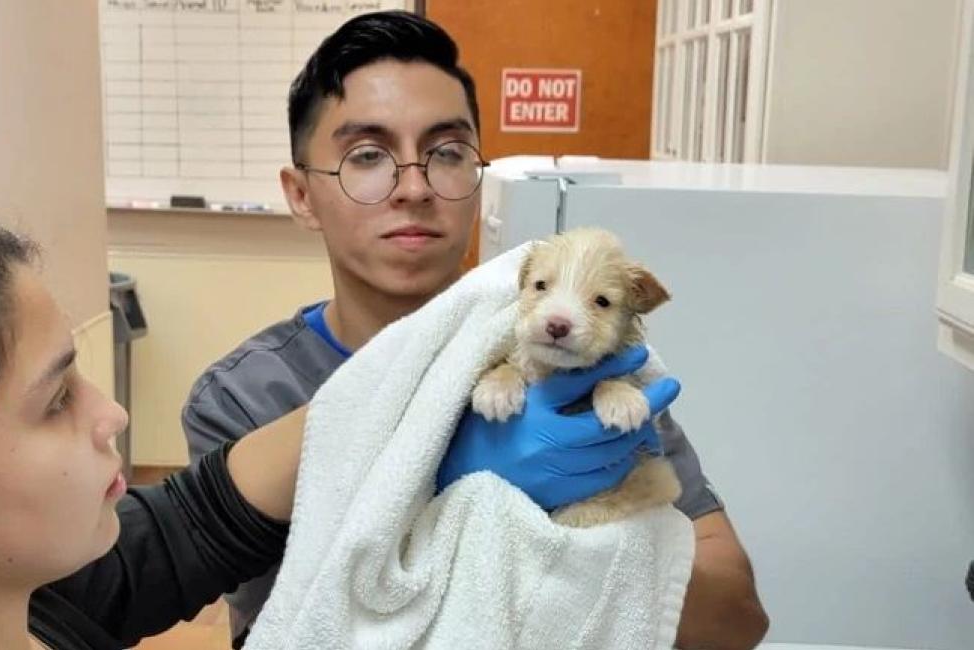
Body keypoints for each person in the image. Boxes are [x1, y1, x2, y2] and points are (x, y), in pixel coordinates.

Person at [0, 202, 679, 649]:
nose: (113, 413)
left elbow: (194, 519)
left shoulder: (31, 600)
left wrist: (426, 419)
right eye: (55, 400)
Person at [182, 10, 769, 650]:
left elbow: (737, 619)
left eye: (447, 153)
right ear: (301, 194)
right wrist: (450, 483)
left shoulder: (586, 365)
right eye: (368, 155)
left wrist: (607, 530)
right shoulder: (249, 397)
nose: (414, 187)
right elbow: (298, 625)